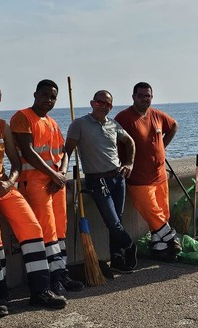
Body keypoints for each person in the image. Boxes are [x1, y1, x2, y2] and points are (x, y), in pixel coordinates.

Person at [0, 81, 67, 315]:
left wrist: (9, 182)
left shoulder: (3, 126)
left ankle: (40, 291)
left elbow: (15, 162)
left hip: (5, 186)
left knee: (33, 229)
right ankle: (1, 297)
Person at [10, 79, 85, 296]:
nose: (48, 100)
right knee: (46, 230)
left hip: (55, 183)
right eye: (45, 95)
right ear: (35, 94)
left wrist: (60, 174)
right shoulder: (22, 117)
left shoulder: (52, 122)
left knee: (59, 228)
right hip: (34, 182)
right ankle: (52, 278)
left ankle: (61, 272)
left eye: (53, 97)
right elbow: (28, 151)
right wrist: (53, 174)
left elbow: (64, 152)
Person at [65, 90, 138, 273]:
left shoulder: (114, 124)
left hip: (117, 177)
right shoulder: (79, 124)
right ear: (92, 103)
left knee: (117, 221)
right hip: (97, 181)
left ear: (111, 107)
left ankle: (117, 259)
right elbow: (66, 151)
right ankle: (130, 246)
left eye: (107, 104)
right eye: (100, 102)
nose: (103, 106)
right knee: (113, 223)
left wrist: (129, 163)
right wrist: (60, 173)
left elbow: (130, 142)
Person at [114, 82, 181, 262]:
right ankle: (172, 238)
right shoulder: (124, 118)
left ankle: (160, 250)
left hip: (159, 175)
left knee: (162, 213)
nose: (145, 99)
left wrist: (162, 147)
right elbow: (113, 142)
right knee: (153, 212)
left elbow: (174, 125)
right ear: (133, 96)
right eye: (141, 95)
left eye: (148, 96)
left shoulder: (157, 115)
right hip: (139, 178)